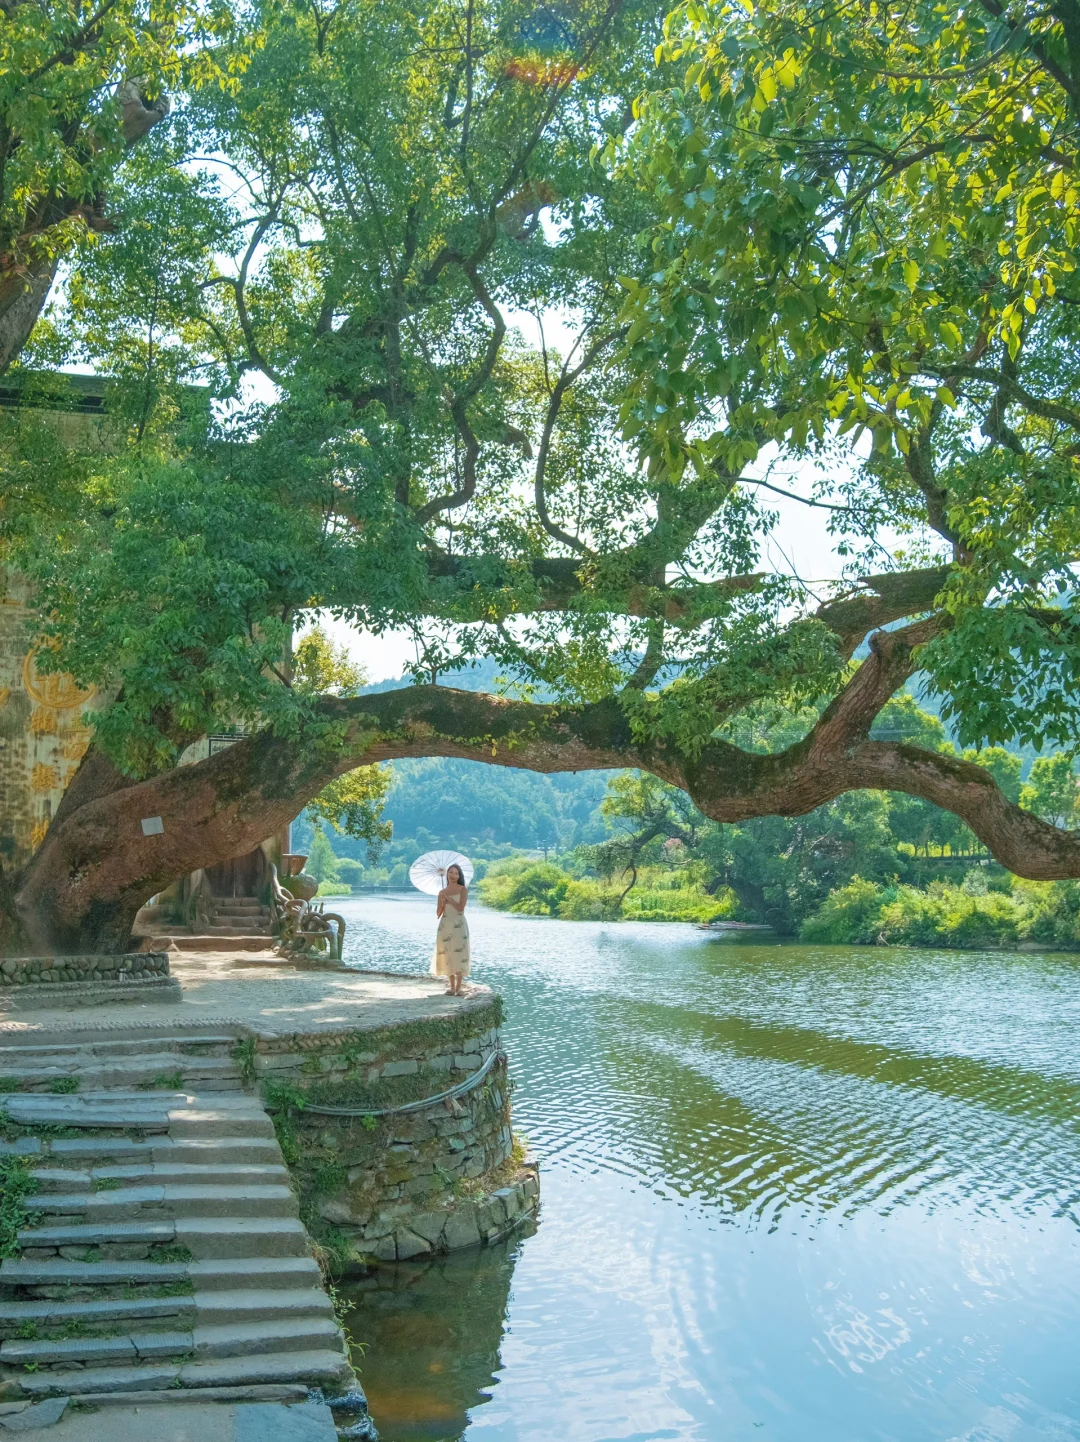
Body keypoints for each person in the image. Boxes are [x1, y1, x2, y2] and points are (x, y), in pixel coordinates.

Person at [432, 863, 470, 995]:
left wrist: (449, 899)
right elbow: (438, 914)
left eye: (456, 873)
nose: (453, 875)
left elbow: (460, 908)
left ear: (459, 876)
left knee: (459, 953)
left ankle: (459, 987)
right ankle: (452, 987)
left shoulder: (462, 890)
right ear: (447, 874)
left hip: (459, 925)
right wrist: (442, 902)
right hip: (445, 924)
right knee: (447, 953)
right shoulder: (442, 892)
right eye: (451, 872)